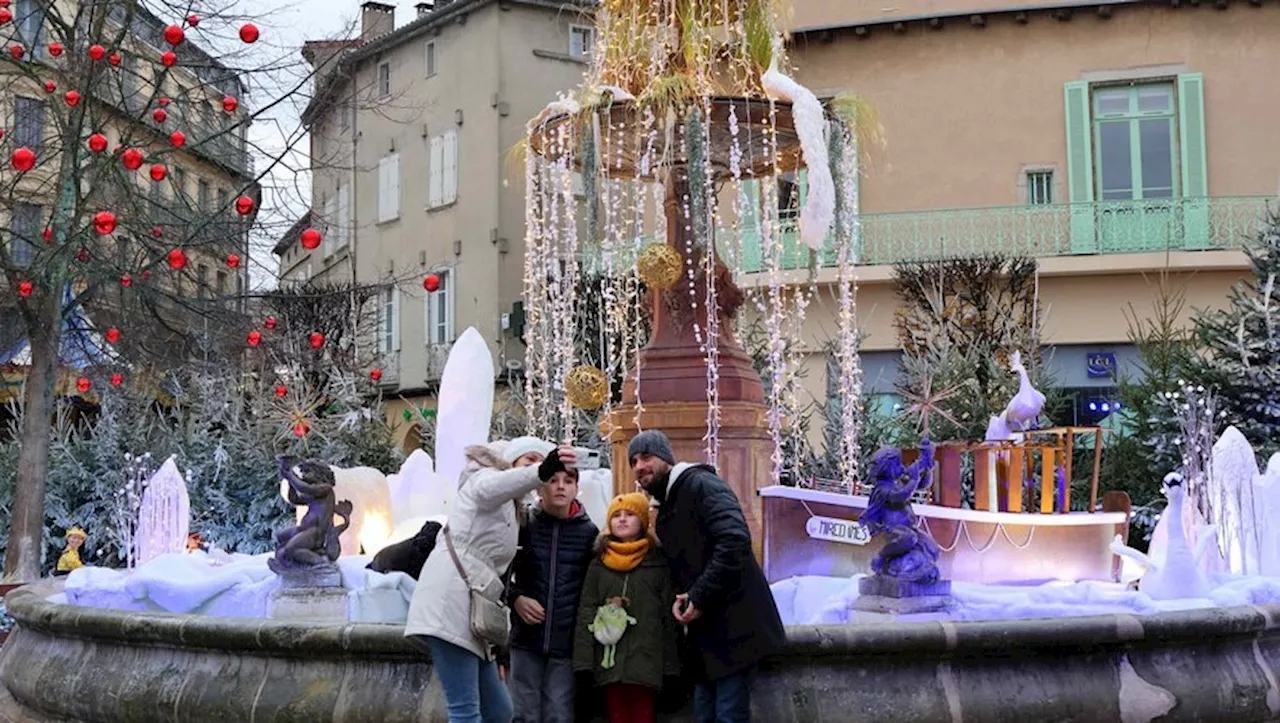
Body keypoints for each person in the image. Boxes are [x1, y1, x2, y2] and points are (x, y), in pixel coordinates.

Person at [405, 436, 574, 723]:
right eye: (530, 460)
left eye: (541, 461)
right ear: (510, 462)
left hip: (473, 606)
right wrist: (540, 471)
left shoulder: (511, 506)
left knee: (499, 711)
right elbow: (493, 487)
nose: (537, 467)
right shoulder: (483, 478)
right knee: (465, 710)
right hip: (451, 600)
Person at [627, 430, 786, 723]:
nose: (639, 466)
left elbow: (735, 540)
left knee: (727, 715)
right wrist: (688, 596)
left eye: (646, 457)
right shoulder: (665, 509)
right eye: (633, 461)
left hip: (737, 628)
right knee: (706, 713)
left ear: (665, 458)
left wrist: (698, 595)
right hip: (709, 636)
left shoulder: (700, 484)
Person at [573, 492, 681, 723]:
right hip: (608, 662)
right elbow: (586, 611)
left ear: (642, 521)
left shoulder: (657, 563)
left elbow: (667, 618)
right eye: (616, 515)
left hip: (647, 663)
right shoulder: (598, 564)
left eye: (630, 515)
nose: (622, 519)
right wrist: (583, 663)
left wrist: (672, 667)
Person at [507, 466, 598, 723]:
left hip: (565, 642)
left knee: (559, 713)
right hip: (526, 639)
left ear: (576, 488)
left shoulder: (589, 533)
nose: (560, 486)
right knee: (523, 713)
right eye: (553, 480)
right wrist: (516, 598)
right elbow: (499, 572)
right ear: (539, 488)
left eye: (568, 481)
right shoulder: (525, 525)